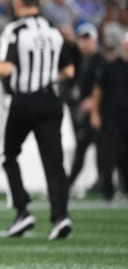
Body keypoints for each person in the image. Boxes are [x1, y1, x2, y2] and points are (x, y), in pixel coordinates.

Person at [0, 0, 75, 240]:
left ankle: (22, 211)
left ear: (19, 1)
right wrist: (45, 76)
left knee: (7, 154)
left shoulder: (14, 31)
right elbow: (69, 70)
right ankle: (61, 216)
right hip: (51, 100)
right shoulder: (53, 30)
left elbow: (7, 68)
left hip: (23, 101)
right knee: (54, 163)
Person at [66, 23, 104, 197]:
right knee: (85, 148)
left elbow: (104, 86)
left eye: (87, 39)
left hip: (99, 112)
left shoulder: (100, 61)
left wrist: (93, 102)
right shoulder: (79, 59)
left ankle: (105, 183)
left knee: (107, 150)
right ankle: (72, 183)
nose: (84, 43)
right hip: (81, 113)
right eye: (82, 39)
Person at [90, 32, 128, 202]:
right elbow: (98, 92)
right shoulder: (110, 67)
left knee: (125, 156)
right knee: (109, 155)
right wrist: (95, 113)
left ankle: (125, 188)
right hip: (111, 118)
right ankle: (107, 190)